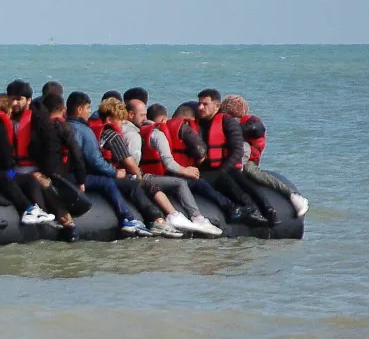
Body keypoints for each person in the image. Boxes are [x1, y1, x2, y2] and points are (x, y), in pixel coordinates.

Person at [129, 102, 224, 236]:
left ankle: (174, 215)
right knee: (180, 183)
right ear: (163, 119)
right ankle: (197, 217)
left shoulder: (134, 131)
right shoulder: (157, 134)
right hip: (146, 177)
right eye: (142, 115)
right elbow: (169, 163)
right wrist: (186, 170)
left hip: (141, 176)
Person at [65, 92, 153, 236]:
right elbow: (95, 160)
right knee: (107, 182)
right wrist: (115, 172)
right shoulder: (84, 130)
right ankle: (128, 218)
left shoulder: (62, 125)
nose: (89, 111)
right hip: (76, 177)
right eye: (87, 107)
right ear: (79, 109)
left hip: (61, 175)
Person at [95, 97, 185, 236]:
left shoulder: (96, 132)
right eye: (119, 120)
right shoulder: (113, 136)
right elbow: (130, 163)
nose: (121, 124)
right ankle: (157, 220)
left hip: (99, 176)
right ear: (109, 119)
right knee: (140, 186)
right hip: (114, 176)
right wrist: (140, 177)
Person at [0, 93, 57, 225]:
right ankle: (32, 211)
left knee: (19, 176)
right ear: (7, 109)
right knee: (28, 179)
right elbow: (6, 157)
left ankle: (35, 210)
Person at [221, 95, 309, 217]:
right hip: (230, 160)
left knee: (251, 171)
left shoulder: (250, 123)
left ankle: (292, 195)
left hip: (248, 160)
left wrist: (234, 129)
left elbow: (256, 129)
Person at [196, 88, 274, 225]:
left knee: (233, 177)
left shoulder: (228, 122)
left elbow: (237, 150)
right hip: (208, 169)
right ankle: (251, 209)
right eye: (199, 104)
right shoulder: (198, 123)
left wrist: (223, 170)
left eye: (205, 104)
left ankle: (261, 209)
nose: (200, 107)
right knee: (223, 178)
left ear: (217, 106)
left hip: (226, 167)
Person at [25, 93, 94, 241]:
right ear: (63, 109)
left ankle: (69, 224)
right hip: (59, 173)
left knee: (46, 185)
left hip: (50, 174)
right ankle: (68, 225)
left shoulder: (43, 127)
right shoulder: (62, 126)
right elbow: (77, 153)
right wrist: (81, 180)